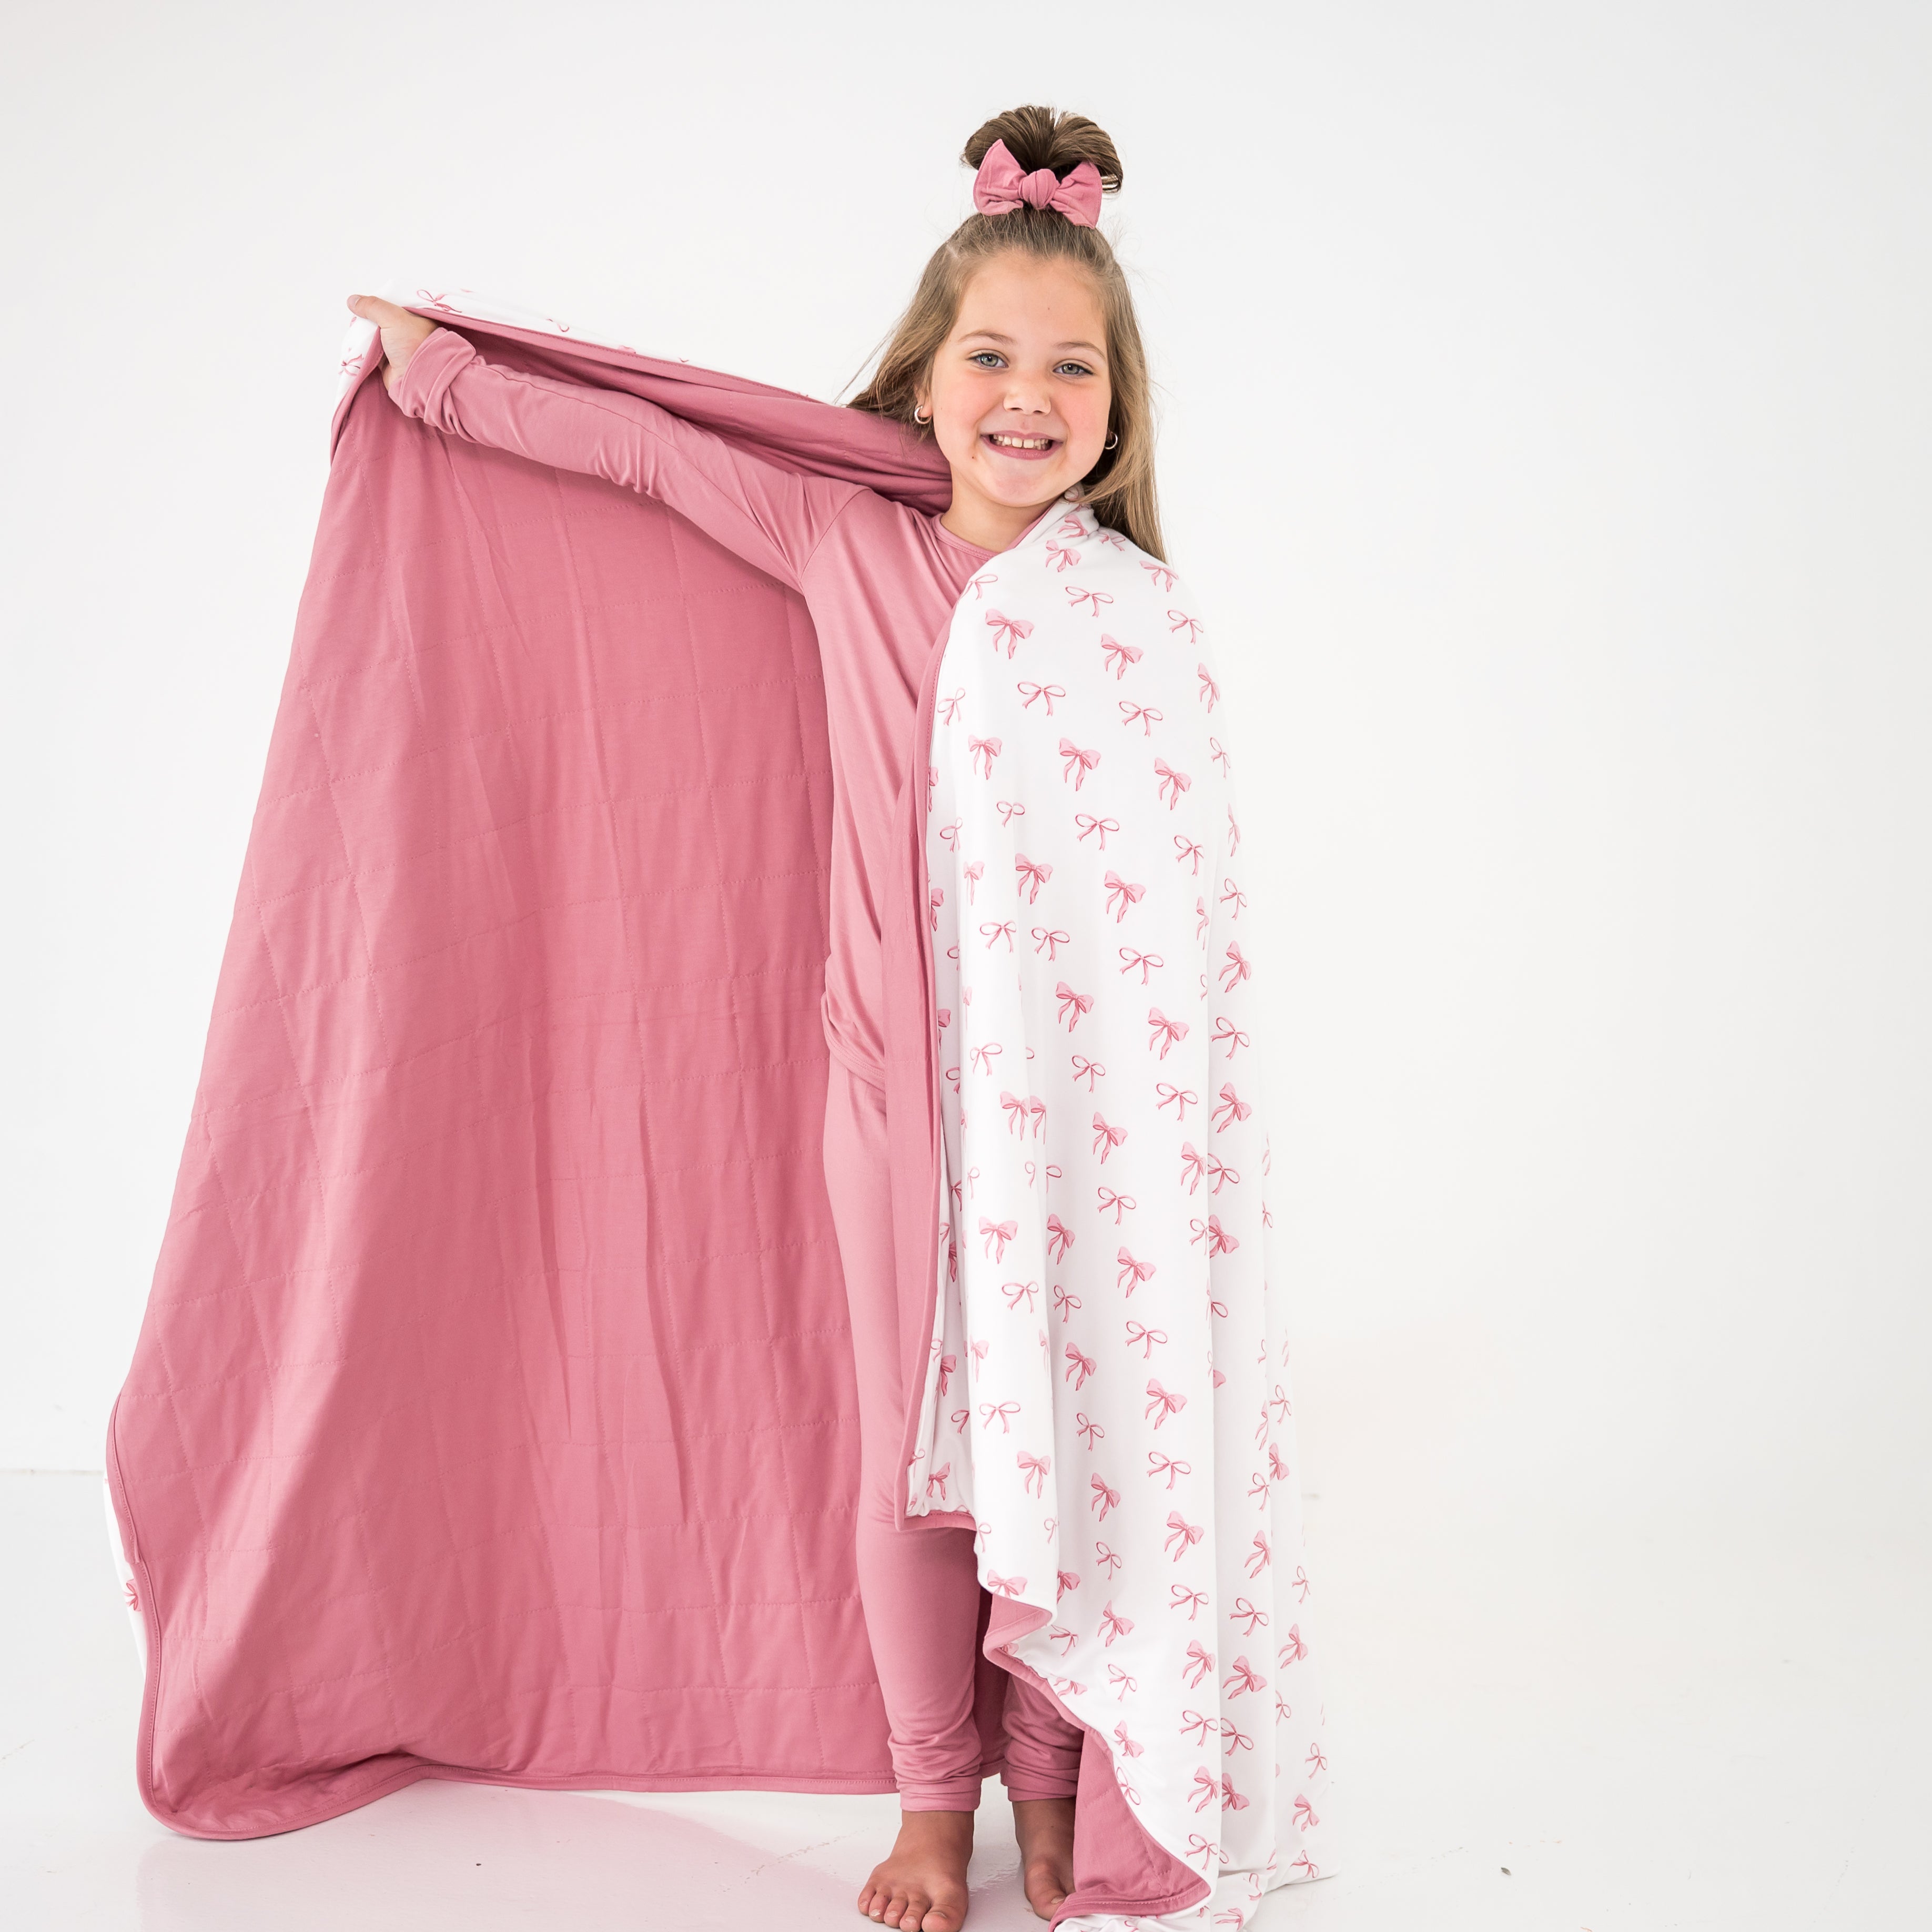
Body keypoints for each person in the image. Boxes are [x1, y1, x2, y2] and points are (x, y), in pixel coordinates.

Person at [350, 104, 1220, 1932]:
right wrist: (441, 382)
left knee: (1067, 1440)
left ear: (1118, 409)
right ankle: (925, 1797)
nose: (1026, 394)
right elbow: (649, 456)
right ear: (922, 377)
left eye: (1072, 367)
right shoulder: (837, 537)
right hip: (900, 1094)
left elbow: (1185, 909)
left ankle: (1054, 1784)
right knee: (922, 1462)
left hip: (1080, 1114)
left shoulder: (1130, 616)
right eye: (990, 353)